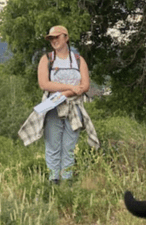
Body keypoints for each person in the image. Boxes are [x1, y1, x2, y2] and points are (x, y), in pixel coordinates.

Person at [19, 25, 99, 184]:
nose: (54, 41)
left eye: (57, 37)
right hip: (53, 108)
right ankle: (53, 183)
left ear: (66, 37)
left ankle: (67, 183)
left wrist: (66, 93)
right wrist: (70, 88)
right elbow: (44, 84)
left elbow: (85, 86)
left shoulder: (78, 59)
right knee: (53, 148)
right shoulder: (47, 59)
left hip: (74, 108)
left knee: (69, 148)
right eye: (51, 38)